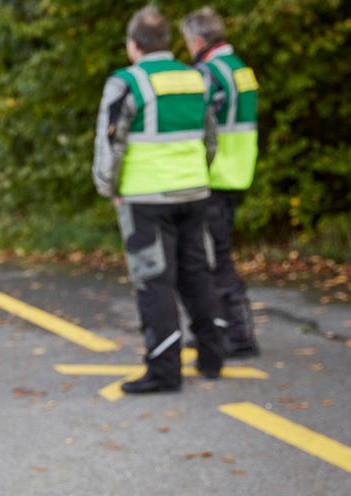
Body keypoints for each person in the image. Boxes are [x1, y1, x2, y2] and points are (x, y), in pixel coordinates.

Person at [92, 6, 224, 393]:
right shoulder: (196, 78)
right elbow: (210, 138)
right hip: (195, 191)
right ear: (167, 42)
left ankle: (165, 371)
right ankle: (212, 356)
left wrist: (109, 188)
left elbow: (109, 143)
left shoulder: (126, 82)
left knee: (155, 282)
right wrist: (198, 173)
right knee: (198, 274)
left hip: (146, 198)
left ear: (134, 46)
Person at [181, 7, 260, 358]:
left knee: (215, 258)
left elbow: (198, 123)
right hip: (238, 170)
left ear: (198, 40)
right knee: (217, 253)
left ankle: (238, 334)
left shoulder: (208, 73)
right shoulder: (240, 69)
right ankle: (220, 329)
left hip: (214, 174)